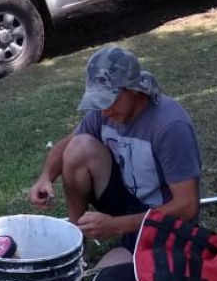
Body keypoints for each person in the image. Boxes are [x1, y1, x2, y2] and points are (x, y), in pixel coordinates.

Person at [29, 46, 202, 264]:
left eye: (109, 101)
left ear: (134, 90)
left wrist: (116, 225)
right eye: (99, 102)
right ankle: (76, 241)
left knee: (106, 279)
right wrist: (46, 177)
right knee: (78, 146)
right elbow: (67, 144)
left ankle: (132, 250)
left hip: (164, 221)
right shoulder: (105, 112)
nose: (104, 111)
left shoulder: (170, 126)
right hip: (128, 198)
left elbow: (187, 206)